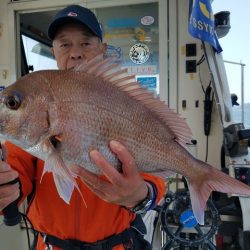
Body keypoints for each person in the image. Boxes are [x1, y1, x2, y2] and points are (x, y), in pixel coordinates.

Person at [0, 5, 166, 250]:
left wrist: (142, 195)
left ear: (103, 50)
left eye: (86, 44)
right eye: (65, 44)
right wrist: (7, 187)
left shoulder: (123, 99)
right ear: (54, 51)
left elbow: (153, 172)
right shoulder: (39, 108)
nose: (75, 53)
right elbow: (17, 169)